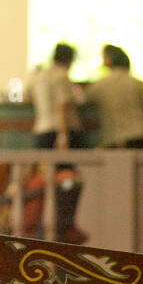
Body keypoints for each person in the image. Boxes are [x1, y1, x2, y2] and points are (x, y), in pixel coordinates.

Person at [26, 43, 87, 244]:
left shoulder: (38, 75)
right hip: (59, 132)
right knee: (66, 179)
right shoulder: (62, 76)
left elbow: (26, 97)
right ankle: (64, 223)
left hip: (40, 130)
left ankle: (44, 223)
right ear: (69, 60)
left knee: (45, 178)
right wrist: (63, 135)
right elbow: (63, 105)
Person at [85, 45, 143, 149]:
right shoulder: (137, 82)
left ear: (109, 60)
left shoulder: (100, 84)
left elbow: (83, 99)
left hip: (116, 140)